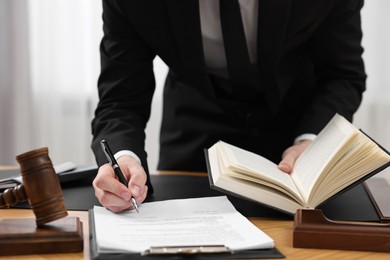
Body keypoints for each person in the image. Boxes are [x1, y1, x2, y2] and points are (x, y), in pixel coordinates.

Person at [91, 0, 366, 212]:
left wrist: (312, 141)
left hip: (294, 139)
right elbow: (121, 97)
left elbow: (342, 76)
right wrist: (123, 158)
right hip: (193, 137)